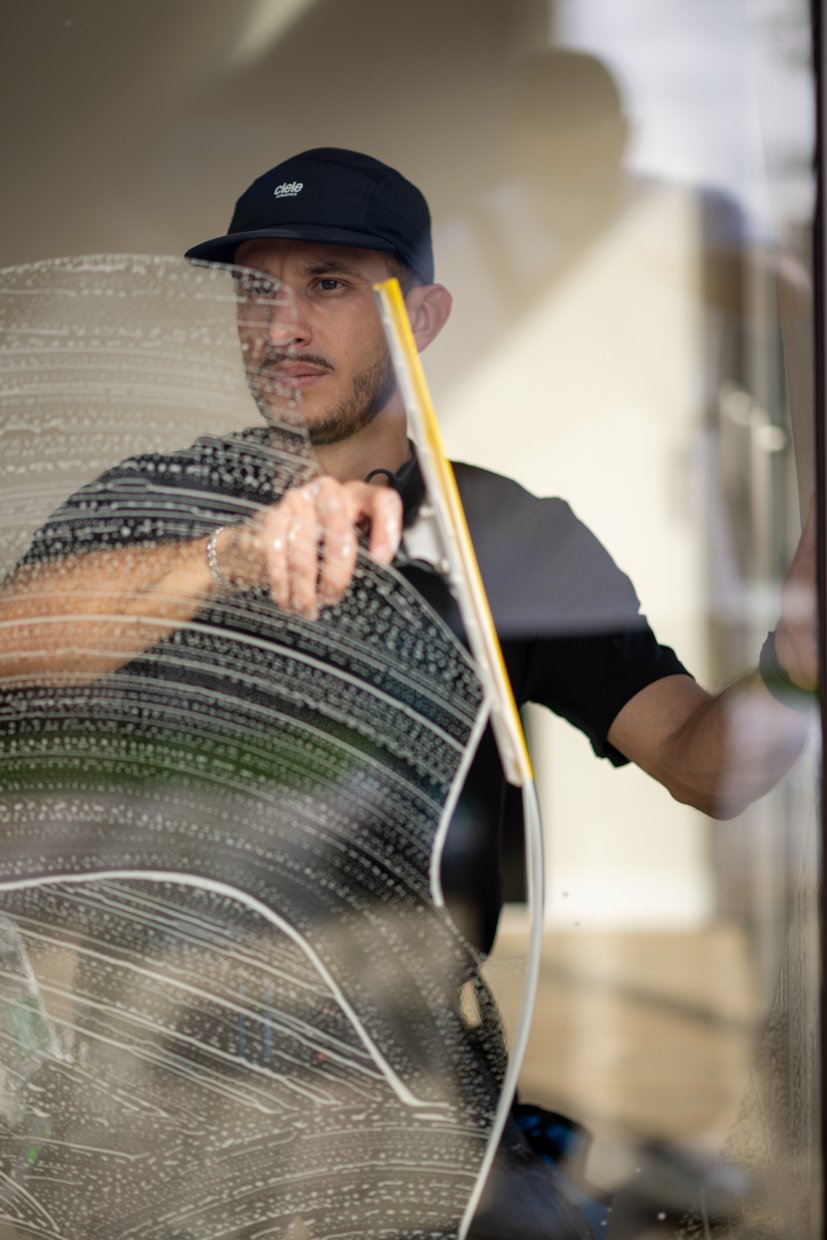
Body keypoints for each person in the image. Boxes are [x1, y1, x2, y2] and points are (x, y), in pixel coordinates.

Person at [0, 147, 817, 1238]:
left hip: (397, 1094)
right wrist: (230, 554)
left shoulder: (507, 537)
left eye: (328, 284)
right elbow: (15, 643)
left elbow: (707, 764)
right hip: (151, 1087)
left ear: (421, 318)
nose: (280, 326)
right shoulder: (158, 496)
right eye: (254, 290)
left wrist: (795, 664)